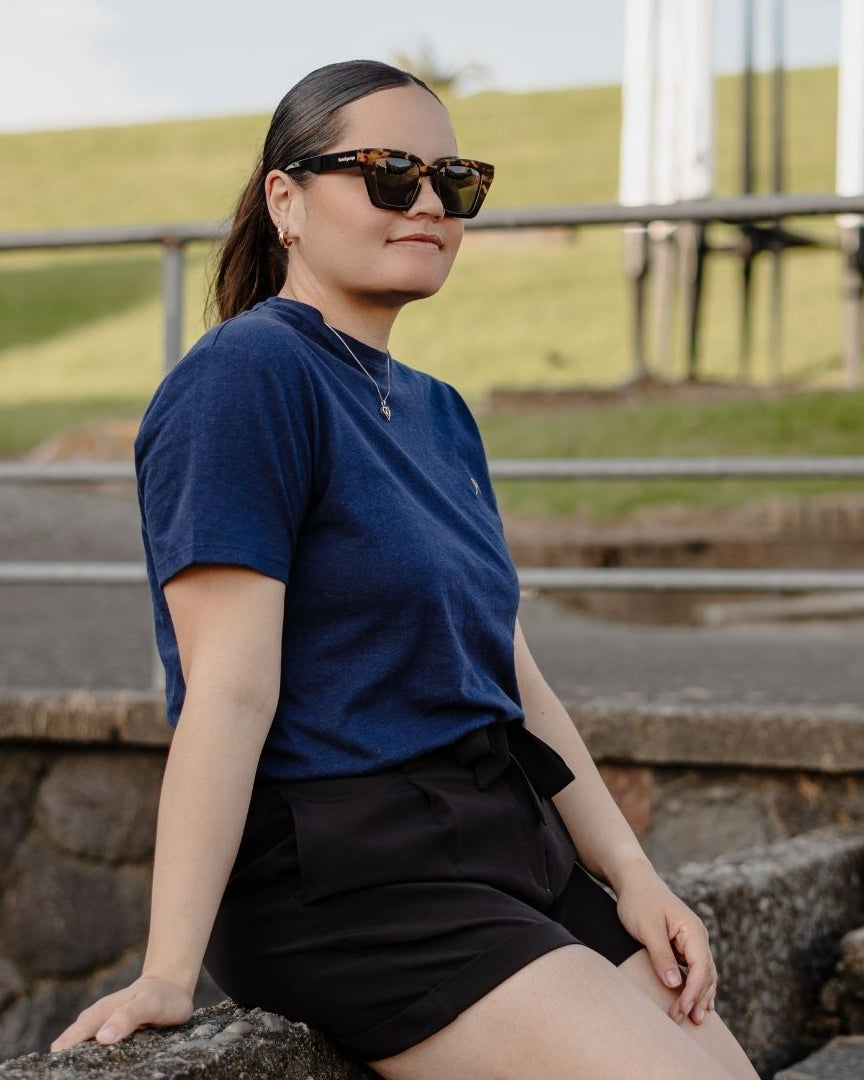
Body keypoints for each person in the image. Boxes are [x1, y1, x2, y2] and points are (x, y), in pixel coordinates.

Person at [51, 59, 760, 1080]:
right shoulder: (245, 379)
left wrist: (635, 875)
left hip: (501, 848)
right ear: (284, 201)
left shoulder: (441, 413)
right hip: (350, 874)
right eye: (388, 173)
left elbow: (509, 673)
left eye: (455, 180)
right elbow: (230, 690)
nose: (429, 201)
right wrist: (167, 972)